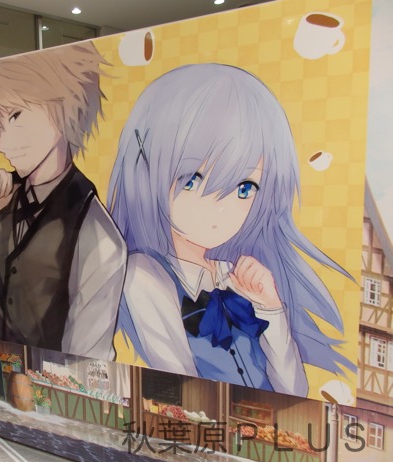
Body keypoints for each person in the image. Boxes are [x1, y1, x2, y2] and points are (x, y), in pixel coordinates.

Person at [108, 63, 354, 396]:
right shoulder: (147, 275)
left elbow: (294, 390)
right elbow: (180, 386)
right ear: (147, 173)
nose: (219, 208)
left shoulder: (234, 274)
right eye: (192, 180)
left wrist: (271, 309)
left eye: (244, 188)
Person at [0, 42, 126, 360]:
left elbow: (86, 362)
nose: (2, 143)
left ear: (66, 104)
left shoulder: (97, 234)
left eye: (15, 115)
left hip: (54, 389)